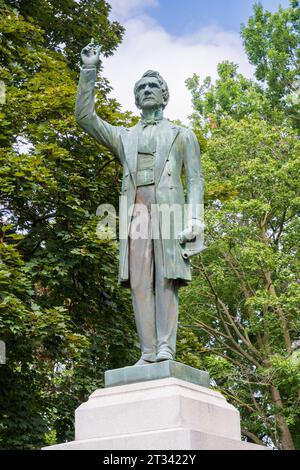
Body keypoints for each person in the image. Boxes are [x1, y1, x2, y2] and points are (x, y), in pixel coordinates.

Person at [76, 40, 204, 365]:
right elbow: (86, 118)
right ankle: (147, 352)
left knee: (166, 279)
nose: (148, 90)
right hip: (136, 210)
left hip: (170, 210)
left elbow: (197, 180)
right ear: (136, 99)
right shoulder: (124, 136)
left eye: (153, 86)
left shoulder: (183, 134)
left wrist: (196, 220)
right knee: (138, 281)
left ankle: (166, 349)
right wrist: (89, 70)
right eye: (142, 87)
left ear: (164, 94)